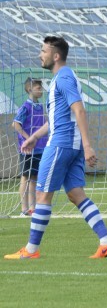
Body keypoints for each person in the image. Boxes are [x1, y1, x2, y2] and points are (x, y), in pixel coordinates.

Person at [5, 36, 107, 260]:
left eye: (43, 51)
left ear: (56, 56)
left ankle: (31, 250)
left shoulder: (63, 77)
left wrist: (88, 145)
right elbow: (59, 117)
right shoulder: (64, 77)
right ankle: (106, 242)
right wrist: (35, 136)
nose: (40, 55)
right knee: (76, 194)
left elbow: (79, 111)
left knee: (42, 194)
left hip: (62, 144)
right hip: (70, 144)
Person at [12, 78, 47, 216]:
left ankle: (33, 208)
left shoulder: (40, 106)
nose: (41, 91)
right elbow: (15, 124)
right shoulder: (26, 107)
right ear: (29, 89)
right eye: (38, 88)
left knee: (34, 178)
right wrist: (28, 139)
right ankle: (23, 209)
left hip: (40, 148)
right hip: (27, 149)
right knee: (25, 177)